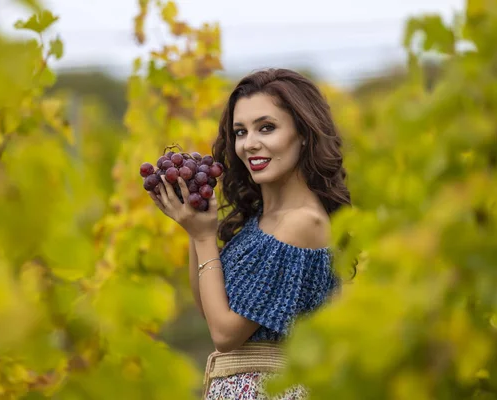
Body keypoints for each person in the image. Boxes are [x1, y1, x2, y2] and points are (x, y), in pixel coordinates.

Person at [148, 68, 351, 399]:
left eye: (266, 128)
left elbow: (224, 335)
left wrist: (203, 239)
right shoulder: (262, 220)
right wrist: (194, 228)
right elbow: (210, 309)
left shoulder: (302, 223)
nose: (250, 144)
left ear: (303, 133)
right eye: (240, 132)